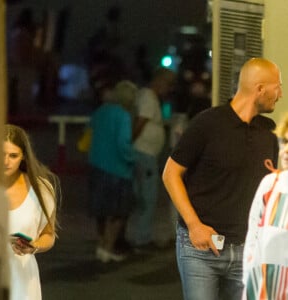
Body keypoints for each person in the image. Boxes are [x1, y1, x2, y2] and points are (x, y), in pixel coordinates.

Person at [162, 57, 282, 300]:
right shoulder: (207, 123)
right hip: (201, 248)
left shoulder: (269, 135)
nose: (279, 94)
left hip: (247, 250)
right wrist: (194, 225)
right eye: (277, 87)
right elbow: (170, 173)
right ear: (259, 89)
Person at [5, 124, 60, 300]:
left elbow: (49, 234)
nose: (6, 161)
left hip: (23, 278)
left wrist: (34, 246)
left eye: (13, 156)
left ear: (23, 157)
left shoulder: (41, 189)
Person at [126, 67, 176, 251]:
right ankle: (142, 239)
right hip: (145, 153)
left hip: (145, 153)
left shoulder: (148, 97)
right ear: (159, 81)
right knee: (148, 198)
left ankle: (140, 236)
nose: (169, 89)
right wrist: (130, 141)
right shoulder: (148, 97)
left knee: (143, 197)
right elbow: (141, 122)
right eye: (168, 84)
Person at [88, 80, 137, 263]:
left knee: (101, 211)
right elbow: (123, 144)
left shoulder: (100, 111)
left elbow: (89, 133)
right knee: (118, 213)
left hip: (96, 166)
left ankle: (101, 245)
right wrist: (133, 158)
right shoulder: (123, 116)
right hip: (118, 170)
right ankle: (108, 248)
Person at [242, 113, 288, 299]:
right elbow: (253, 235)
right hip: (263, 286)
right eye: (284, 141)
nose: (286, 150)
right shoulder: (270, 184)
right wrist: (247, 277)